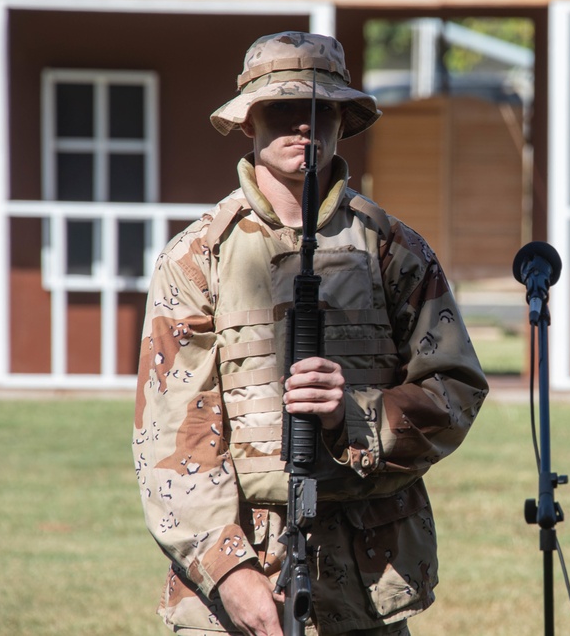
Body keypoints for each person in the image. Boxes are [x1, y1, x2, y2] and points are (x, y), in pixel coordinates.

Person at [133, 31, 488, 636]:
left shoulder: (392, 250)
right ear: (250, 122)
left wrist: (353, 415)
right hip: (238, 583)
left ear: (344, 121)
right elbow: (171, 435)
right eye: (283, 110)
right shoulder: (198, 256)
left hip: (368, 578)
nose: (304, 126)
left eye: (322, 111)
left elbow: (454, 389)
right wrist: (229, 573)